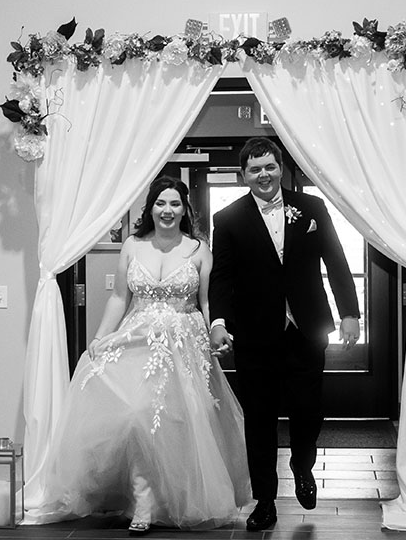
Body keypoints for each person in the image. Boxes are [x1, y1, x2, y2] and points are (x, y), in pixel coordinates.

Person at [31, 175, 252, 533]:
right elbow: (120, 297)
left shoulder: (198, 249)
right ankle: (141, 498)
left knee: (176, 424)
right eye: (160, 203)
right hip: (138, 338)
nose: (167, 210)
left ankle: (169, 498)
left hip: (184, 342)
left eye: (175, 204)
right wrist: (101, 337)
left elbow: (209, 300)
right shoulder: (133, 245)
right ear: (150, 208)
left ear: (185, 209)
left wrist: (215, 331)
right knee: (133, 415)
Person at [208, 137, 360, 532]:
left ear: (281, 168)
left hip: (307, 331)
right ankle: (265, 502)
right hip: (255, 336)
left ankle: (302, 464)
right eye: (255, 169)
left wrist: (349, 313)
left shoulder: (311, 209)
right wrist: (219, 322)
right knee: (258, 420)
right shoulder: (227, 220)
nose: (264, 174)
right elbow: (221, 277)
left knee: (308, 412)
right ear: (244, 175)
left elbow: (337, 260)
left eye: (270, 166)